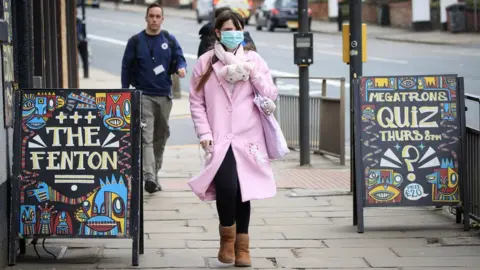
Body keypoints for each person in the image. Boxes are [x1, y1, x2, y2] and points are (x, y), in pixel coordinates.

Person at [188, 10, 277, 267]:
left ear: (242, 30)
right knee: (227, 187)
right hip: (219, 138)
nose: (232, 33)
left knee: (243, 191)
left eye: (236, 28)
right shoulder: (205, 63)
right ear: (217, 33)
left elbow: (272, 93)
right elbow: (196, 103)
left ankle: (242, 247)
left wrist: (253, 74)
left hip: (248, 137)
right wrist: (204, 133)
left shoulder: (254, 60)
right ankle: (226, 238)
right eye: (226, 29)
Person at [121, 3, 187, 193]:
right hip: (143, 96)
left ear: (162, 19)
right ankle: (148, 175)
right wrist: (125, 92)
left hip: (164, 96)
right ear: (146, 18)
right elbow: (126, 67)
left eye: (158, 16)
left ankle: (154, 176)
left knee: (161, 137)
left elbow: (179, 57)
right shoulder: (135, 41)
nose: (154, 20)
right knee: (147, 137)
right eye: (151, 16)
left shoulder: (169, 39)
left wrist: (181, 67)